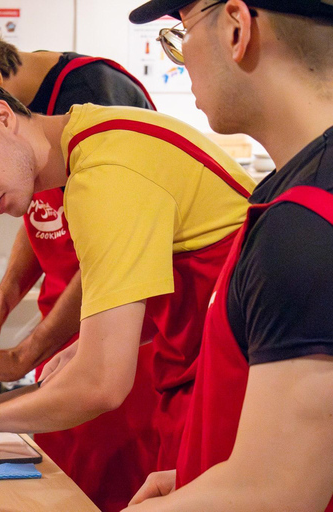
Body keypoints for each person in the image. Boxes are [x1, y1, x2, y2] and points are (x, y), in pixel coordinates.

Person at [0, 69, 255, 480]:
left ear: (3, 116)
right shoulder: (93, 131)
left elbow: (102, 384)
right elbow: (183, 277)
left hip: (239, 378)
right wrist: (92, 341)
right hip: (219, 359)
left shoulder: (102, 179)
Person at [0, 22, 160, 510]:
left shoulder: (94, 102)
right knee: (55, 477)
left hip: (125, 324)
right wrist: (2, 305)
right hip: (72, 329)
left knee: (109, 480)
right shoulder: (26, 148)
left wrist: (23, 357)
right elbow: (39, 209)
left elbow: (114, 255)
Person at [122, 1, 333, 510]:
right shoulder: (293, 194)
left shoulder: (305, 226)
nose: (181, 57)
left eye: (181, 32)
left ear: (237, 28)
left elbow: (279, 493)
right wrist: (203, 473)